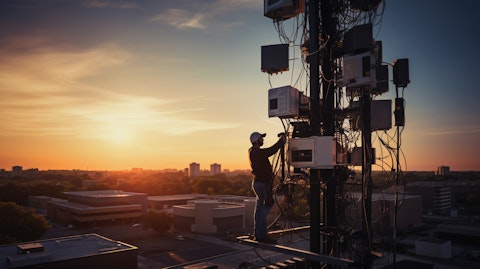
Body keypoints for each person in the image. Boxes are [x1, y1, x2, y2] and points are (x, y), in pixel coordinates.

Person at [248, 131, 286, 244]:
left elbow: (269, 151)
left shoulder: (252, 151)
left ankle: (258, 233)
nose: (263, 140)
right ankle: (262, 235)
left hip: (258, 183)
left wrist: (281, 142)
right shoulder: (257, 153)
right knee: (267, 206)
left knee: (259, 208)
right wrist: (281, 141)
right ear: (256, 141)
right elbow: (271, 150)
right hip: (263, 184)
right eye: (261, 138)